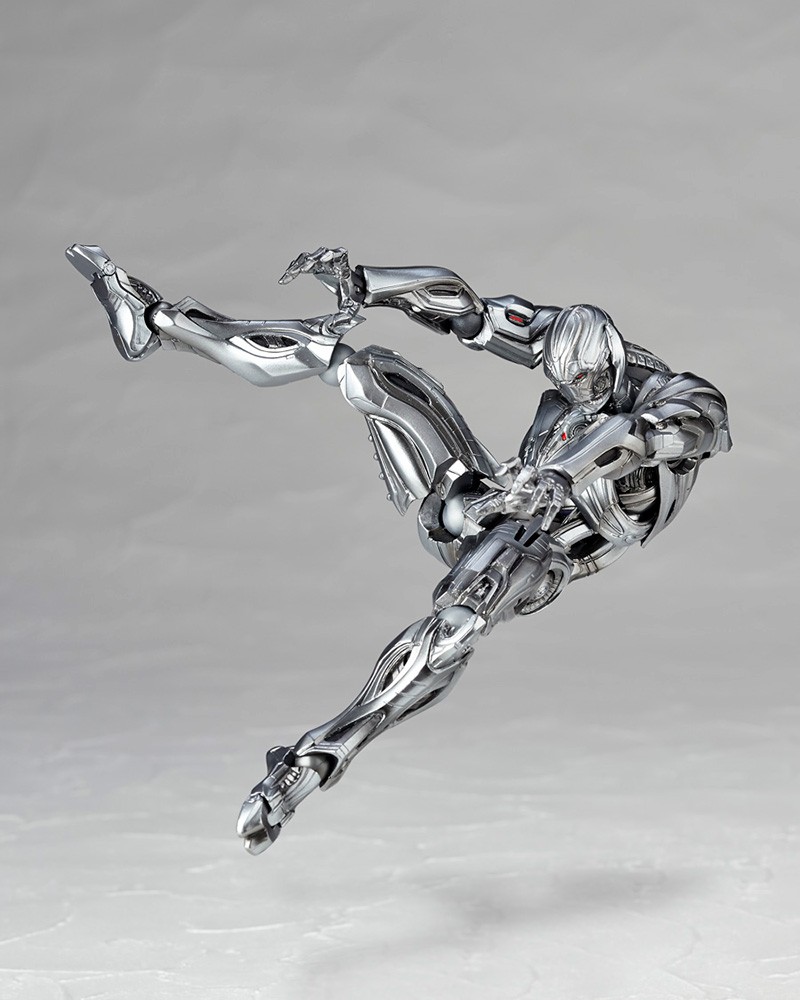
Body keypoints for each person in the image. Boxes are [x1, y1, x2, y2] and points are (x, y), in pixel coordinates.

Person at [66, 243, 731, 855]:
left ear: (613, 366)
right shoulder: (557, 339)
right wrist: (368, 283)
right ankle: (158, 323)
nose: (574, 400)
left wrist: (561, 474)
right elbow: (467, 310)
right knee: (357, 367)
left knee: (457, 625)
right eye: (566, 388)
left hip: (549, 545)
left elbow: (638, 435)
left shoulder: (682, 401)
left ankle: (314, 759)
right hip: (489, 498)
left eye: (586, 391)